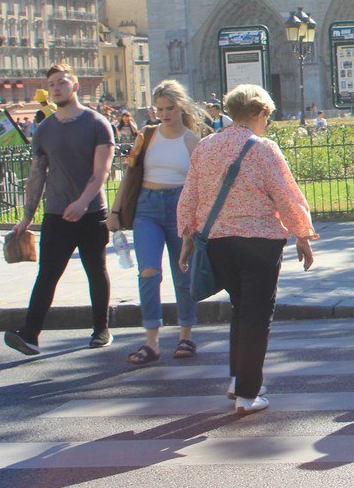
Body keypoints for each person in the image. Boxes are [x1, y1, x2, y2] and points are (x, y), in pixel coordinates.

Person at [177, 85, 317, 415]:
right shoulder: (264, 149)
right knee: (257, 315)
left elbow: (190, 198)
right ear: (258, 113)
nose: (267, 122)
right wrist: (302, 235)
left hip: (218, 242)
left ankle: (238, 378)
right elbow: (286, 196)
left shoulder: (205, 147)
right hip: (260, 242)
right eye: (267, 116)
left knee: (240, 309)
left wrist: (185, 238)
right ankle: (247, 395)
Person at [5, 64, 117, 356]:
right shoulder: (44, 129)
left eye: (62, 82)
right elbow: (37, 174)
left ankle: (101, 329)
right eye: (52, 84)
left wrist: (82, 202)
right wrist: (26, 218)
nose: (57, 88)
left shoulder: (97, 123)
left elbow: (101, 172)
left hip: (92, 213)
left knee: (96, 269)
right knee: (47, 273)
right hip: (56, 214)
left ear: (75, 86)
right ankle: (30, 334)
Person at [110, 81, 205, 365]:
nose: (164, 114)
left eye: (170, 108)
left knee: (183, 272)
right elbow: (130, 174)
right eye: (160, 109)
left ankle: (185, 334)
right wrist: (114, 211)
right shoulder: (147, 135)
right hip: (146, 207)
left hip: (180, 206)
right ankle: (151, 341)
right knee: (148, 271)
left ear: (181, 107)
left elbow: (200, 183)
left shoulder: (192, 140)